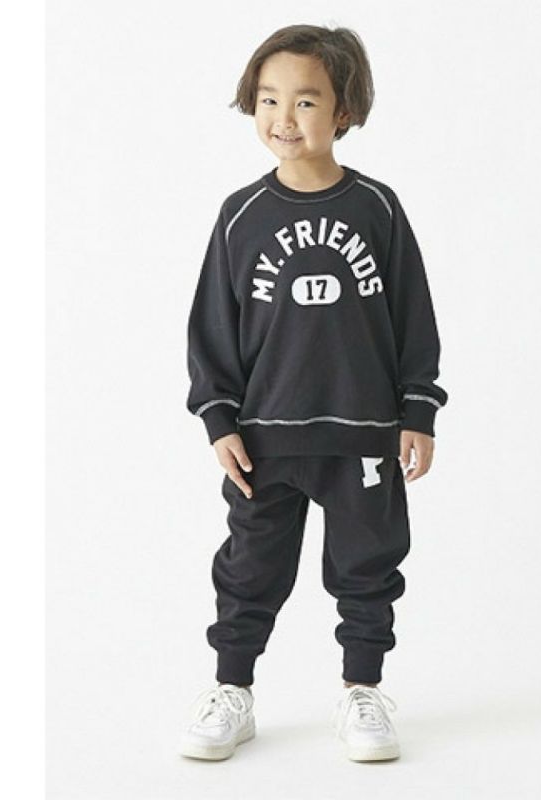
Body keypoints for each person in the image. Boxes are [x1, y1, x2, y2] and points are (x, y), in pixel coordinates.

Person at [179, 23, 448, 763]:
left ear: (344, 110)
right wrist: (219, 419)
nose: (284, 118)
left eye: (304, 101)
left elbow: (413, 316)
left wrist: (418, 410)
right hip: (265, 438)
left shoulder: (378, 208)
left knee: (368, 567)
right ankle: (232, 689)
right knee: (249, 568)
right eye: (269, 99)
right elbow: (212, 327)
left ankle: (363, 690)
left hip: (363, 432)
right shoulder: (240, 214)